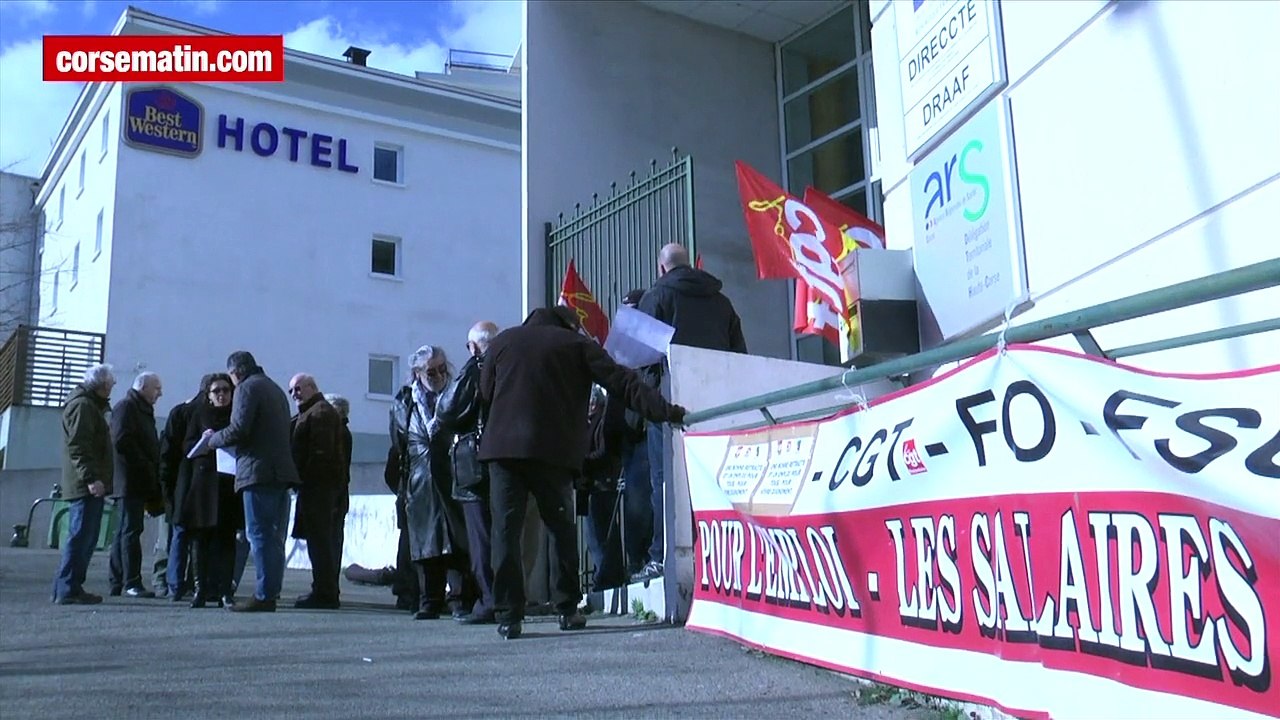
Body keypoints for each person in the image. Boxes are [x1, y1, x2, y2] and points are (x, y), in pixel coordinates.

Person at [479, 305, 687, 640]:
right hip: (553, 452)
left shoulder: (503, 342)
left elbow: (485, 393)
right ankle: (566, 608)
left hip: (503, 452)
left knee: (505, 533)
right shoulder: (576, 346)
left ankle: (508, 615)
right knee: (561, 530)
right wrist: (667, 411)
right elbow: (623, 383)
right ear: (570, 325)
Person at [634, 243, 746, 584]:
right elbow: (739, 354)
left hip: (668, 403)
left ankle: (662, 557)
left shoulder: (656, 298)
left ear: (662, 268)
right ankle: (715, 552)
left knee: (664, 482)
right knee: (712, 478)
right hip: (715, 402)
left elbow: (639, 357)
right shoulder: (721, 301)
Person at [204, 351, 300, 613]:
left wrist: (211, 441)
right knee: (274, 536)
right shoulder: (275, 389)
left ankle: (264, 594)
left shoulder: (247, 389)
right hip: (280, 472)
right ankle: (271, 590)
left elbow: (239, 429)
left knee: (258, 534)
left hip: (257, 472)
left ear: (236, 373)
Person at [390, 345, 474, 621]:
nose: (438, 374)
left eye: (441, 368)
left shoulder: (457, 396)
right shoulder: (405, 402)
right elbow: (400, 445)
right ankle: (430, 600)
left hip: (454, 476)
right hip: (420, 480)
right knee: (426, 545)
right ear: (417, 373)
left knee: (458, 543)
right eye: (430, 371)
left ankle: (461, 600)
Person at [432, 320, 499, 624]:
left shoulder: (476, 368)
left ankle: (489, 601)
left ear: (473, 347)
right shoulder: (512, 363)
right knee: (505, 534)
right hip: (509, 459)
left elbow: (449, 410)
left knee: (480, 536)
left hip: (477, 462)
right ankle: (508, 599)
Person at [51, 363, 116, 605]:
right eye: (110, 384)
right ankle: (67, 587)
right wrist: (91, 478)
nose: (112, 388)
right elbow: (79, 446)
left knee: (84, 537)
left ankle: (68, 586)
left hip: (86, 482)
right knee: (81, 536)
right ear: (102, 385)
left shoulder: (89, 405)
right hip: (85, 484)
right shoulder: (83, 406)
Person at [176, 373, 242, 608]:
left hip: (227, 484)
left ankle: (225, 590)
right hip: (203, 484)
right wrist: (202, 442)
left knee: (226, 540)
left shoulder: (236, 415)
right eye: (217, 391)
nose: (222, 394)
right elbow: (185, 446)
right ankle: (199, 589)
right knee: (199, 539)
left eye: (226, 390)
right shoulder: (199, 414)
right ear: (209, 395)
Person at [286, 373, 346, 609]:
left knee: (320, 542)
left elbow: (320, 455)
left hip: (318, 488)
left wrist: (302, 478)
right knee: (320, 542)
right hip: (319, 487)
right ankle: (323, 590)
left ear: (311, 387)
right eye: (292, 391)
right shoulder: (314, 412)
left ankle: (325, 592)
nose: (294, 395)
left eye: (298, 389)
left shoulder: (319, 413)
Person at [108, 371, 164, 598]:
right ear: (144, 387)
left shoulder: (138, 409)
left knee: (126, 530)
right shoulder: (127, 408)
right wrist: (144, 463)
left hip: (136, 480)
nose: (160, 393)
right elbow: (121, 440)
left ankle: (119, 580)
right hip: (130, 480)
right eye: (156, 388)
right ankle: (131, 581)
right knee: (130, 530)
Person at [158, 375, 210, 600]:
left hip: (179, 480)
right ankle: (193, 582)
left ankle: (173, 584)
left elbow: (166, 452)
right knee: (198, 536)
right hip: (202, 482)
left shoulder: (180, 412)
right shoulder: (211, 415)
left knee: (177, 533)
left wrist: (165, 483)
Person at [617, 289, 653, 576]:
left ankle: (644, 557)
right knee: (636, 500)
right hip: (629, 430)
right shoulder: (622, 347)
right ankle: (635, 560)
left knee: (643, 497)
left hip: (645, 427)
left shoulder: (652, 340)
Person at [324, 393, 353, 575]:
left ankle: (328, 583)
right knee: (334, 540)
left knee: (330, 541)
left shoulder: (338, 433)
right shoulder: (343, 432)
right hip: (339, 494)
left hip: (334, 494)